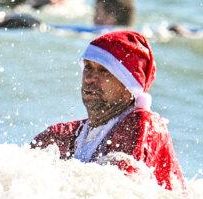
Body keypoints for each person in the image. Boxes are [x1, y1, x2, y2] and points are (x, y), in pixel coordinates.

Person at [31, 30, 183, 189]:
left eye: (104, 70)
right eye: (88, 67)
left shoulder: (143, 125)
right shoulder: (63, 134)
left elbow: (120, 194)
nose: (89, 78)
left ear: (128, 84)